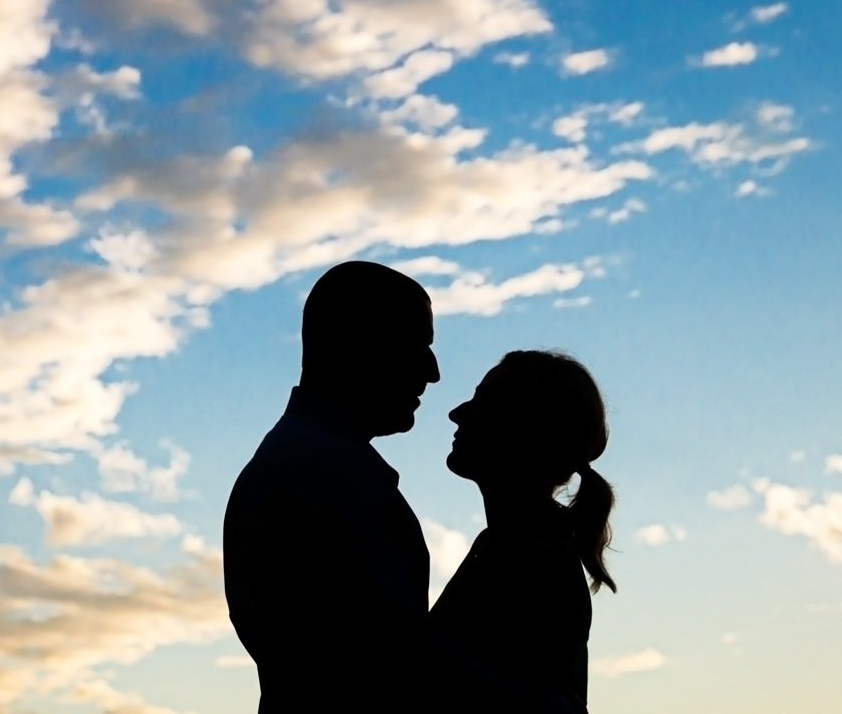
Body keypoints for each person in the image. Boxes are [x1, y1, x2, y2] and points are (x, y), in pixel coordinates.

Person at [222, 261, 441, 714]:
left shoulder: (309, 463)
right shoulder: (321, 474)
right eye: (416, 345)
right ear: (356, 343)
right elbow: (392, 657)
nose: (433, 371)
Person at [430, 350, 616, 713]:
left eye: (482, 402)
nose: (457, 413)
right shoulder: (517, 545)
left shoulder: (531, 558)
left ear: (521, 429)